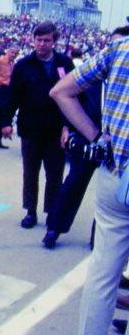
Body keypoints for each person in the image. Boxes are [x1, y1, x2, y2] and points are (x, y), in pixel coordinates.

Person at [50, 26, 129, 335]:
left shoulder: (119, 50)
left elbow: (61, 92)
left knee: (103, 266)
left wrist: (96, 135)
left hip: (114, 171)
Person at [43, 26, 129, 248]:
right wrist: (66, 128)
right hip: (88, 137)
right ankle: (54, 229)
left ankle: (98, 239)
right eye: (113, 44)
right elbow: (69, 99)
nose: (116, 49)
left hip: (119, 146)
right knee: (73, 184)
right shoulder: (93, 72)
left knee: (111, 195)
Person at [2, 21, 75, 229]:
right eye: (38, 39)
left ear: (55, 41)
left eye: (47, 40)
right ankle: (30, 212)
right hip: (30, 128)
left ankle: (52, 212)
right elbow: (13, 96)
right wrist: (6, 122)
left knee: (55, 174)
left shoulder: (65, 65)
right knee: (30, 172)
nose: (42, 44)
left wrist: (67, 126)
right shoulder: (23, 66)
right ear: (33, 40)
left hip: (56, 129)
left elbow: (73, 97)